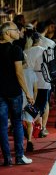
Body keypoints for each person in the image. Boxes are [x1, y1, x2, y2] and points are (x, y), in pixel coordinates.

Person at [0, 21, 34, 165]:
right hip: (14, 92)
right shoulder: (16, 49)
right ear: (7, 33)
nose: (19, 32)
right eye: (16, 30)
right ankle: (19, 156)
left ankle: (7, 158)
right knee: (17, 123)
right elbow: (19, 73)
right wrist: (28, 93)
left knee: (1, 126)